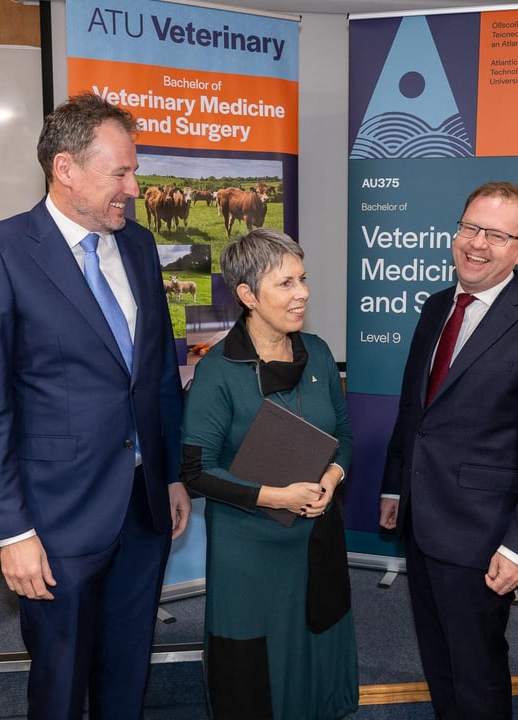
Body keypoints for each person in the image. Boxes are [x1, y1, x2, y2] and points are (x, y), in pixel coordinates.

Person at [0, 92, 190, 720]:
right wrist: (12, 531)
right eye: (121, 173)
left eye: (134, 172)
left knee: (126, 674)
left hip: (142, 512)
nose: (135, 188)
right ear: (65, 168)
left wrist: (170, 474)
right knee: (59, 686)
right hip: (55, 520)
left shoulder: (138, 246)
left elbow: (157, 371)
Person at [379, 181, 518, 719]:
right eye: (470, 227)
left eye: (496, 234)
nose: (477, 243)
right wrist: (396, 482)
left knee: (476, 670)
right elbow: (414, 409)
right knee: (439, 660)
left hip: (482, 534)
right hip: (421, 520)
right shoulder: (436, 306)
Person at [180, 228, 358, 719]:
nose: (302, 293)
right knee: (255, 678)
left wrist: (334, 476)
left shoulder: (318, 353)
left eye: (302, 279)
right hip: (249, 553)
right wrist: (276, 497)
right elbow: (197, 472)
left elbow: (344, 433)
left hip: (316, 540)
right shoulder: (217, 369)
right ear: (247, 296)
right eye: (285, 283)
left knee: (315, 653)